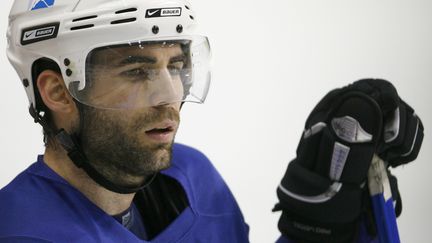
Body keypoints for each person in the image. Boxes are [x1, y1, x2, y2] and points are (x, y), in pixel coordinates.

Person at [0, 0, 249, 242]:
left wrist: (290, 230)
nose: (170, 95)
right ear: (58, 92)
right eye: (137, 71)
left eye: (175, 66)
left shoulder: (194, 174)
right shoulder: (20, 231)